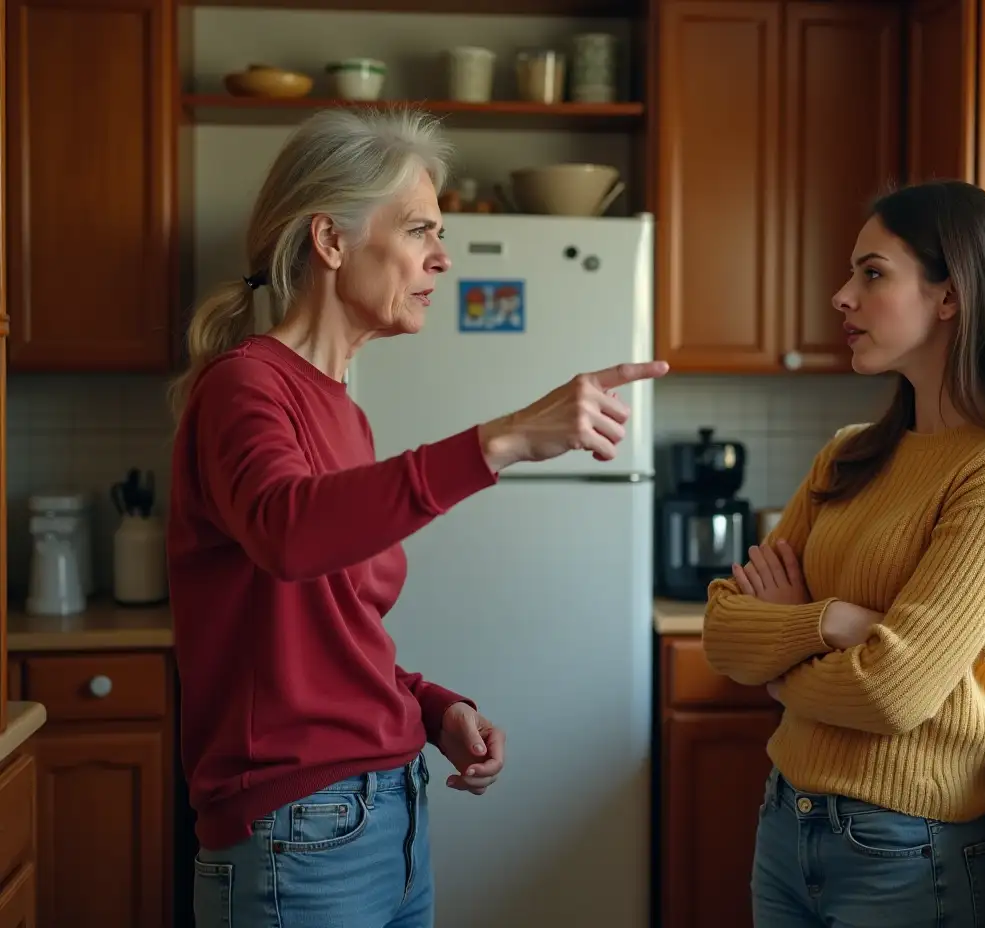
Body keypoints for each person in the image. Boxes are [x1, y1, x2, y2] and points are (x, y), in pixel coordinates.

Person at [166, 107, 667, 928]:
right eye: (419, 231)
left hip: (388, 810)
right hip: (298, 830)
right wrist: (498, 440)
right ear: (330, 242)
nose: (442, 257)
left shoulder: (345, 412)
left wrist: (432, 707)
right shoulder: (244, 386)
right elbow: (287, 534)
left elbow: (330, 627)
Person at [702, 179, 985, 927]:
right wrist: (837, 622)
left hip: (904, 851)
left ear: (950, 296)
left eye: (872, 273)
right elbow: (724, 630)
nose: (842, 296)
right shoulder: (851, 453)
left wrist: (785, 664)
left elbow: (892, 694)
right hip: (786, 820)